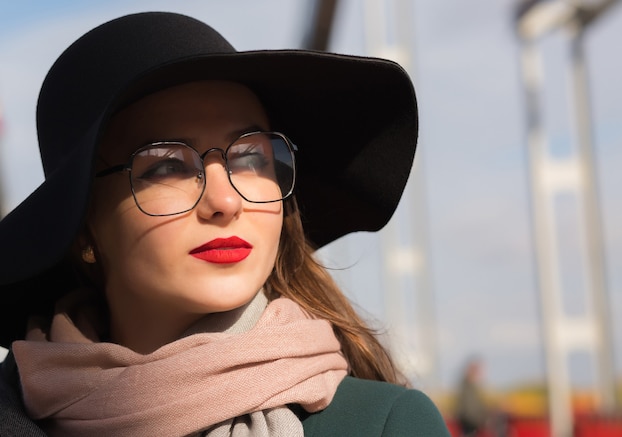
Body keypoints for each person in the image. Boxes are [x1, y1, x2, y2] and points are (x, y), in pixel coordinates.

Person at [0, 11, 451, 437]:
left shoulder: (380, 426)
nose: (225, 200)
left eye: (251, 157)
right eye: (166, 166)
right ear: (82, 227)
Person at [453, 357, 490, 437]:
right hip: (469, 426)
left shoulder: (470, 386)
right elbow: (469, 410)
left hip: (470, 425)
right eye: (476, 371)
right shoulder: (467, 387)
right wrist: (483, 420)